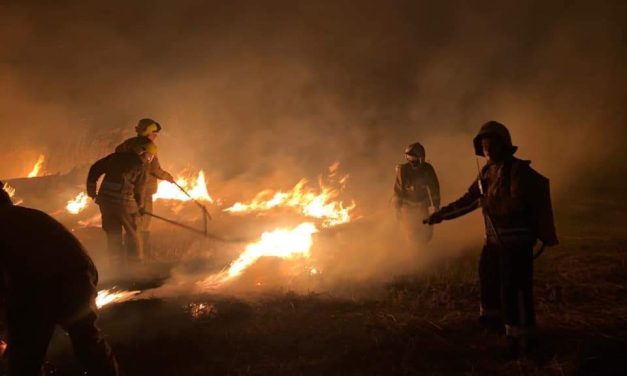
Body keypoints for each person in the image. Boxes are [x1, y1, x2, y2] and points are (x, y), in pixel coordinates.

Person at [425, 121, 558, 358]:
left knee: (514, 290)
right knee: (488, 280)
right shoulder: (487, 171)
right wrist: (442, 214)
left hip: (516, 243)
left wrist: (489, 203)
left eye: (491, 142)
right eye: (483, 144)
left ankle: (522, 340)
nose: (486, 148)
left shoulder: (517, 171)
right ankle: (494, 327)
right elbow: (470, 199)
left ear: (503, 145)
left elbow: (517, 204)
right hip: (494, 243)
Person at [0, 181, 119, 375]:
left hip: (36, 283)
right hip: (79, 275)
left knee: (25, 352)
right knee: (87, 339)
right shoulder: (33, 215)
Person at [87, 140, 156, 268]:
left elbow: (94, 169)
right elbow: (139, 191)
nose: (150, 159)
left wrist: (92, 191)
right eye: (150, 155)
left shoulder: (114, 158)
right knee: (134, 233)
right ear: (143, 153)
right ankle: (135, 267)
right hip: (124, 203)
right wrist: (140, 207)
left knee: (113, 234)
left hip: (105, 202)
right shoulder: (141, 165)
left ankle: (116, 267)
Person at [116, 118, 174, 256]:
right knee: (143, 225)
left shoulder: (127, 144)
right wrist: (169, 177)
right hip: (144, 191)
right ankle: (140, 258)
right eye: (154, 133)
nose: (155, 136)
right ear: (148, 133)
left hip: (127, 190)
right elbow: (154, 170)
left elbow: (117, 153)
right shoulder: (149, 147)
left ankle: (128, 257)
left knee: (131, 223)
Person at [393, 142, 440, 245]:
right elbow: (398, 191)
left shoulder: (427, 169)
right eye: (410, 158)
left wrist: (436, 206)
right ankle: (414, 254)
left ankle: (424, 249)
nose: (412, 162)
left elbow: (434, 188)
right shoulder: (403, 170)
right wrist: (397, 208)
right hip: (408, 208)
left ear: (421, 158)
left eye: (415, 158)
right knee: (411, 234)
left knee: (426, 232)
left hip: (422, 206)